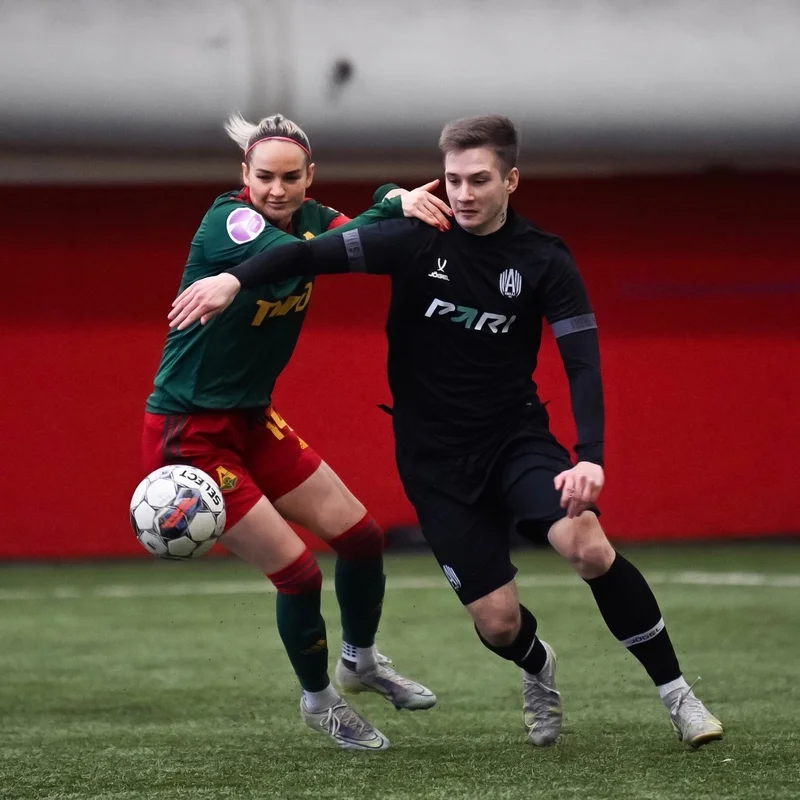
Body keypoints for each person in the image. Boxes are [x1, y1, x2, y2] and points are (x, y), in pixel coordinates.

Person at [168, 115, 725, 750]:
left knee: (587, 545)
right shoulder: (413, 239)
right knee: (498, 624)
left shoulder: (544, 258)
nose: (463, 193)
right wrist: (235, 278)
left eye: (479, 180)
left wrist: (590, 457)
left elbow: (583, 362)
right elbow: (308, 253)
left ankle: (679, 696)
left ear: (511, 180)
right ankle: (538, 666)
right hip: (434, 461)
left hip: (516, 441)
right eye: (453, 179)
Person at [144, 112, 451, 751]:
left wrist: (391, 197)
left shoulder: (312, 216)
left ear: (310, 176)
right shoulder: (230, 222)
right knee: (299, 574)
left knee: (362, 538)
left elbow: (365, 237)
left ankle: (360, 661)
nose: (276, 189)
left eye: (290, 177)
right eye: (264, 177)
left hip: (253, 418)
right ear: (244, 174)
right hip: (189, 432)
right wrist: (389, 204)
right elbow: (302, 259)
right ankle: (319, 701)